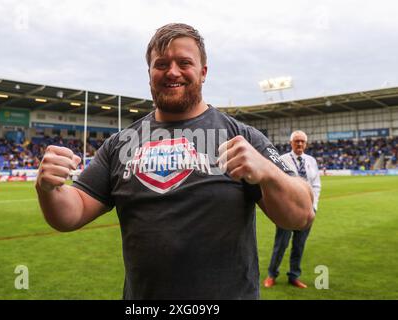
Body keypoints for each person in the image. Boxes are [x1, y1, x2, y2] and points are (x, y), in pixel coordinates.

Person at [36, 23, 315, 299]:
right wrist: (48, 189)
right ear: (150, 73)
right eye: (161, 64)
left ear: (203, 72)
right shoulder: (120, 144)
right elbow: (70, 214)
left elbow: (301, 215)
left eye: (184, 62)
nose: (172, 72)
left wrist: (268, 172)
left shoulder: (241, 136)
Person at [263, 130, 321, 289]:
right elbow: (275, 186)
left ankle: (294, 276)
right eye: (297, 141)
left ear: (306, 144)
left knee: (299, 245)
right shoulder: (282, 160)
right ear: (291, 143)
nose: (300, 144)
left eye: (302, 141)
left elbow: (316, 185)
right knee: (280, 245)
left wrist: (313, 207)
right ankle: (271, 274)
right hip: (286, 213)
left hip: (307, 213)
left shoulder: (311, 161)